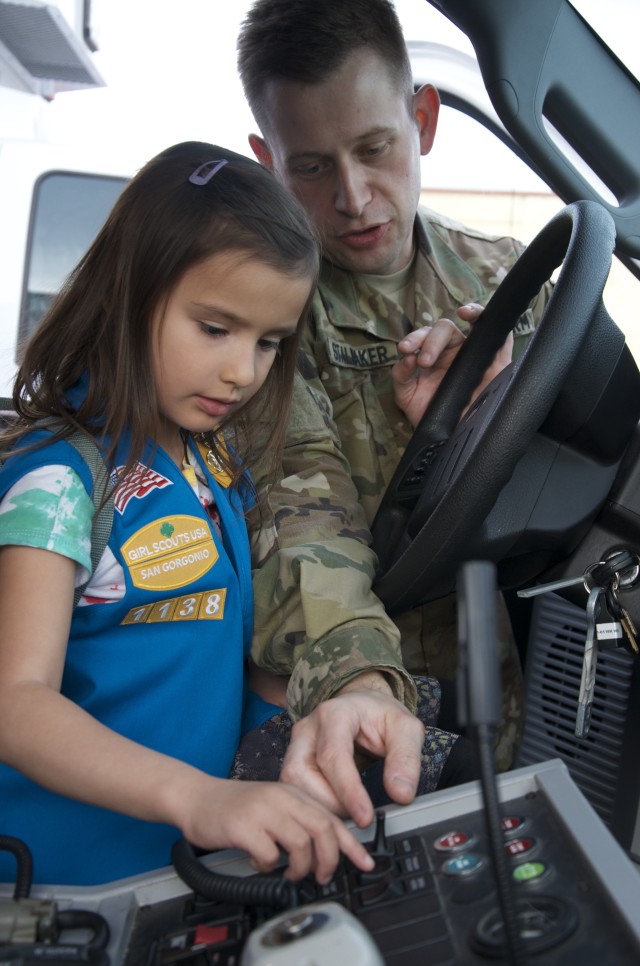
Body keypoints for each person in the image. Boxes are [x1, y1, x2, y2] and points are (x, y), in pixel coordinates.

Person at [0, 140, 389, 888]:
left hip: (186, 867)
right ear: (128, 296)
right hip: (68, 889)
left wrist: (324, 727)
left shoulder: (211, 463)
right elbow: (17, 704)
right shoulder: (59, 484)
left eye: (270, 342)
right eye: (215, 328)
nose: (243, 371)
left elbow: (219, 649)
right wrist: (201, 799)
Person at [236, 0, 554, 785]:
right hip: (358, 722)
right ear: (265, 159)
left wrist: (501, 400)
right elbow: (299, 518)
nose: (351, 196)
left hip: (507, 677)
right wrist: (357, 683)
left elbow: (592, 456)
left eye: (375, 148)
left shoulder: (514, 281)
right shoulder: (268, 318)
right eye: (309, 166)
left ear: (424, 120)